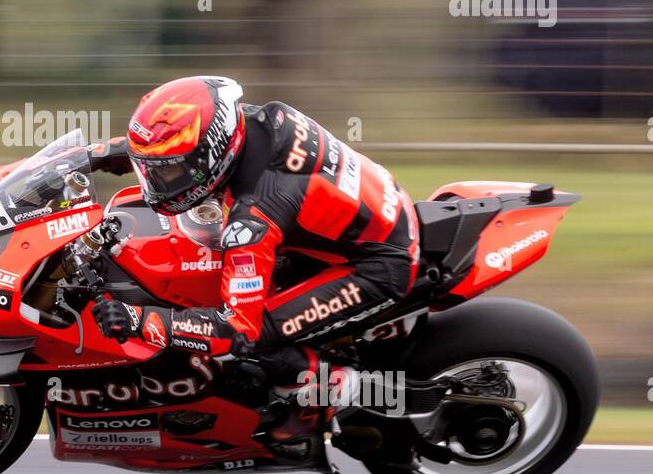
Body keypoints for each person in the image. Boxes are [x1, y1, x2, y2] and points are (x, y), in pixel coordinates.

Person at [90, 75, 420, 397]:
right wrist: (93, 156)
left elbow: (236, 329)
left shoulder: (254, 217)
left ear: (210, 155)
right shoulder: (247, 121)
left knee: (253, 347)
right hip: (361, 217)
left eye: (168, 171)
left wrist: (141, 319)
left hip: (378, 265)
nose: (158, 182)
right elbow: (178, 141)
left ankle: (334, 395)